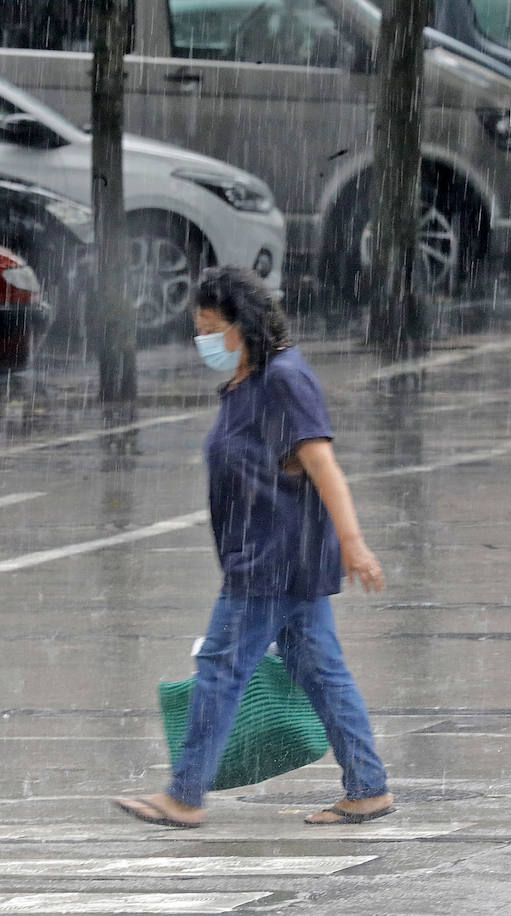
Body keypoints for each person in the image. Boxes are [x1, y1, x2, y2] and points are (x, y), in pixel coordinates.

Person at [114, 265, 394, 829]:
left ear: (241, 326)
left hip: (273, 560)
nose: (204, 340)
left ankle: (186, 795)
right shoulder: (248, 382)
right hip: (277, 558)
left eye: (211, 327)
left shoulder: (285, 377)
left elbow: (321, 463)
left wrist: (354, 543)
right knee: (321, 672)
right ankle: (367, 787)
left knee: (220, 668)